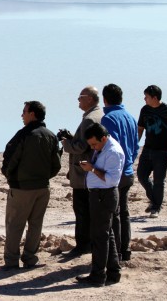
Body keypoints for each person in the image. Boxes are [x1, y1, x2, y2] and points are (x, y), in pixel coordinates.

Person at [0, 101, 61, 270]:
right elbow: (56, 164)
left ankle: (12, 261)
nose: (22, 115)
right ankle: (30, 258)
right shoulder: (50, 136)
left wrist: (9, 175)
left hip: (21, 188)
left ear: (32, 114)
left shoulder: (24, 135)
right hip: (42, 187)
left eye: (24, 112)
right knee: (36, 224)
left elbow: (11, 158)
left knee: (15, 225)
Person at [76, 123, 124, 287]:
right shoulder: (103, 148)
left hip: (104, 195)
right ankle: (113, 272)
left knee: (99, 237)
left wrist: (91, 169)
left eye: (94, 144)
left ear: (103, 138)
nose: (93, 147)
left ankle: (98, 275)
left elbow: (111, 179)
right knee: (106, 234)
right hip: (100, 195)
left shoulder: (113, 152)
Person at [59, 86, 103, 257]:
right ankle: (89, 244)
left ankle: (83, 245)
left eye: (81, 97)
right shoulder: (98, 115)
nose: (78, 100)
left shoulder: (89, 119)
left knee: (82, 210)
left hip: (84, 173)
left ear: (90, 99)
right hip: (93, 172)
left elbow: (81, 147)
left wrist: (65, 142)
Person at [101, 84, 140, 261]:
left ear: (105, 99)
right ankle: (125, 249)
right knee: (123, 212)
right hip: (129, 170)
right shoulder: (131, 118)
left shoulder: (108, 118)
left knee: (114, 214)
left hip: (116, 172)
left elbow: (111, 147)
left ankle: (115, 252)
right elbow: (136, 145)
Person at [137, 85, 167, 219]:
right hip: (147, 148)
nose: (145, 99)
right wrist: (134, 145)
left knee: (159, 180)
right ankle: (155, 200)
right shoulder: (144, 110)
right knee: (141, 175)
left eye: (147, 97)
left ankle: (156, 207)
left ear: (154, 97)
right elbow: (140, 129)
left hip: (162, 150)